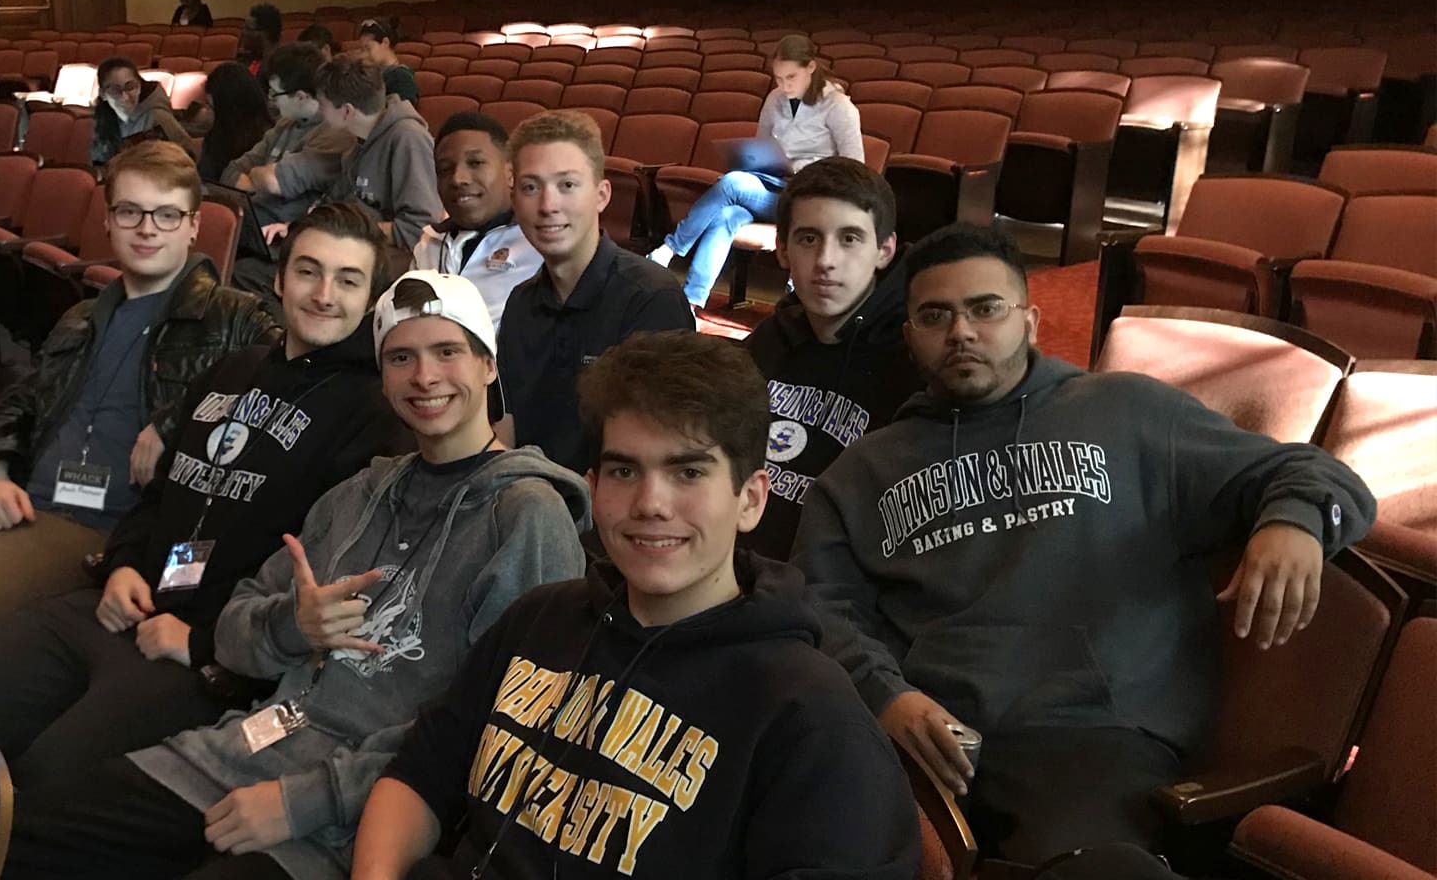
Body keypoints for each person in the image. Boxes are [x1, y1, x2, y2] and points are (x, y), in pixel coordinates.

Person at [795, 223, 1376, 868]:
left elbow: (1312, 473)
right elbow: (817, 605)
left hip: (1087, 736)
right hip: (920, 733)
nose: (961, 331)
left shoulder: (1128, 411)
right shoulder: (863, 471)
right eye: (935, 315)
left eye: (986, 309)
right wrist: (885, 695)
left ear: (1032, 320)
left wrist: (1294, 521)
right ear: (910, 336)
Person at [0, 270, 591, 880]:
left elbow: (498, 728)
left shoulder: (526, 515)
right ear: (382, 377)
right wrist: (292, 626)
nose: (425, 377)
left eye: (448, 352)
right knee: (18, 838)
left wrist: (305, 802)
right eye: (401, 357)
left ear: (488, 366)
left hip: (357, 816)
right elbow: (233, 631)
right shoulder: (358, 494)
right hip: (239, 752)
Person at [353, 330, 921, 880]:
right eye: (625, 471)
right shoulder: (540, 618)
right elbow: (418, 774)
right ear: (594, 487)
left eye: (689, 471)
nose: (651, 503)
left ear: (749, 499)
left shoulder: (811, 718)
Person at [0, 202, 406, 789]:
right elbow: (159, 493)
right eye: (308, 271)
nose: (324, 293)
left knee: (48, 775)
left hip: (209, 654)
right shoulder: (234, 368)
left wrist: (206, 643)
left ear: (370, 299)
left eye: (348, 279)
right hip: (128, 599)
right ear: (279, 279)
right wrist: (123, 566)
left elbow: (325, 572)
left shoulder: (374, 411)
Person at [0, 142, 280, 687]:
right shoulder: (81, 315)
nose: (147, 229)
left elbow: (282, 379)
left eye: (167, 214)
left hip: (93, 527)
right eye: (130, 212)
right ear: (109, 222)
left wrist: (175, 422)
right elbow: (19, 402)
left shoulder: (231, 316)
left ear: (192, 227)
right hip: (13, 495)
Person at [499, 110, 693, 476]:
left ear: (602, 195)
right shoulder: (520, 304)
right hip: (529, 503)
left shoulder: (651, 298)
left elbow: (663, 450)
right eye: (530, 187)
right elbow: (509, 427)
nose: (547, 205)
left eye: (567, 185)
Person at [741, 158, 917, 558]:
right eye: (808, 239)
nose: (825, 261)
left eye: (850, 239)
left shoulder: (912, 360)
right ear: (782, 249)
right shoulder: (766, 343)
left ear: (884, 250)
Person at [649, 35, 863, 310]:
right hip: (772, 184)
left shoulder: (838, 106)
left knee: (732, 183)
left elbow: (855, 166)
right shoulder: (775, 99)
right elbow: (763, 144)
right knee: (726, 215)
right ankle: (692, 302)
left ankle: (669, 250)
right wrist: (757, 160)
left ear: (811, 67)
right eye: (778, 78)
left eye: (791, 77)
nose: (784, 86)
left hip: (809, 197)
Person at [224, 42, 358, 300]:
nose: (270, 102)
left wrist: (260, 176)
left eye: (275, 94)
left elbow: (275, 181)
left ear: (301, 97)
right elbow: (232, 169)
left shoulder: (335, 133)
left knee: (234, 272)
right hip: (253, 229)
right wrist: (259, 179)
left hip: (283, 241)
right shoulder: (286, 125)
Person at [410, 111, 540, 328]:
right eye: (444, 169)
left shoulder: (538, 242)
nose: (458, 179)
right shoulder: (428, 244)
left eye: (476, 163)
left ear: (511, 172)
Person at [304, 56, 441, 253]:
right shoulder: (359, 138)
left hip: (381, 259)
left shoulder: (408, 138)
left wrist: (349, 230)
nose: (320, 113)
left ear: (347, 111)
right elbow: (339, 199)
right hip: (349, 246)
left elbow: (420, 228)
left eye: (323, 106)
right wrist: (300, 226)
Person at [91, 57, 194, 169]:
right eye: (115, 90)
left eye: (130, 87)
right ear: (103, 94)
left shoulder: (156, 117)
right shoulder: (99, 118)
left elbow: (186, 158)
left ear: (139, 86)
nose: (125, 97)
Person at [196, 61, 272, 186]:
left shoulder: (268, 138)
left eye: (212, 108)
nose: (209, 113)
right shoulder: (215, 135)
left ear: (228, 108)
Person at [355, 18, 418, 104]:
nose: (364, 55)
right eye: (362, 50)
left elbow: (404, 112)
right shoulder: (369, 75)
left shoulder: (401, 77)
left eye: (368, 48)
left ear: (385, 43)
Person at [243, 3, 283, 81]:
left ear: (265, 34)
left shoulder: (277, 67)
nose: (243, 32)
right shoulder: (248, 60)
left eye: (248, 29)